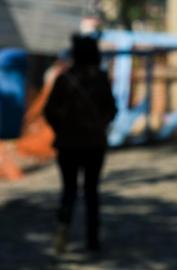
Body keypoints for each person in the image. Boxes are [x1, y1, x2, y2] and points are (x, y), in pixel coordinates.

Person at [44, 34, 117, 253]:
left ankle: (62, 233)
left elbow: (49, 112)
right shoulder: (101, 80)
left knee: (68, 190)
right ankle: (92, 239)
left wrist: (63, 128)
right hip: (94, 144)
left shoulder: (64, 79)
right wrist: (97, 126)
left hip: (67, 145)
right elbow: (112, 110)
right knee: (92, 192)